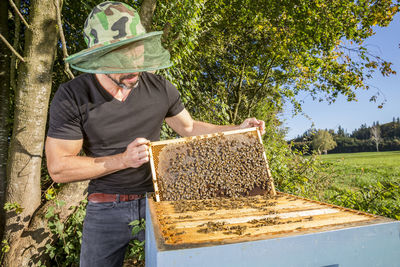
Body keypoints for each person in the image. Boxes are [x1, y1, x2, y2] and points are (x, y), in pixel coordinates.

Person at [45, 1, 265, 267]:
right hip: (105, 207)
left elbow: (189, 127)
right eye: (122, 60)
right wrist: (123, 160)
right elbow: (59, 168)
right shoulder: (73, 96)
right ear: (98, 56)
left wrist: (238, 130)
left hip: (159, 202)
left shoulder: (159, 87)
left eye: (138, 54)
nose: (135, 68)